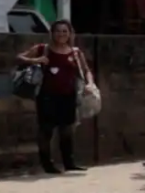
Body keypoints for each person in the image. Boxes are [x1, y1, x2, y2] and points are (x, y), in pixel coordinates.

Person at [15, 20, 92, 174]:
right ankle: (47, 164)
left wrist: (90, 84)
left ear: (70, 33)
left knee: (67, 130)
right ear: (52, 33)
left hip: (68, 96)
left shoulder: (75, 52)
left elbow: (86, 70)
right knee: (46, 130)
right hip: (46, 96)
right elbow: (19, 58)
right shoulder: (43, 49)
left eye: (65, 31)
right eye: (58, 31)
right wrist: (34, 60)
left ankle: (69, 163)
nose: (61, 34)